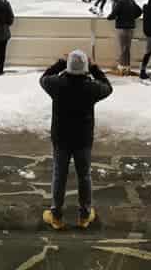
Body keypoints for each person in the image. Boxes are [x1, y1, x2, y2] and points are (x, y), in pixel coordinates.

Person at [40, 50, 112, 230]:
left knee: (59, 176)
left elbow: (44, 78)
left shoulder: (56, 85)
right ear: (85, 68)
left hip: (61, 138)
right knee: (84, 176)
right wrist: (95, 67)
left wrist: (60, 63)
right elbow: (108, 86)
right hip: (83, 139)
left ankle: (56, 216)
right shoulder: (91, 88)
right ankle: (85, 216)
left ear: (68, 67)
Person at [107, 0, 142, 75]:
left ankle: (122, 68)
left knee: (123, 48)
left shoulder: (120, 2)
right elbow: (139, 11)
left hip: (122, 28)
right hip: (130, 28)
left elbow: (113, 14)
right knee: (127, 48)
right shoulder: (132, 2)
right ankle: (127, 67)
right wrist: (132, 17)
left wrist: (110, 17)